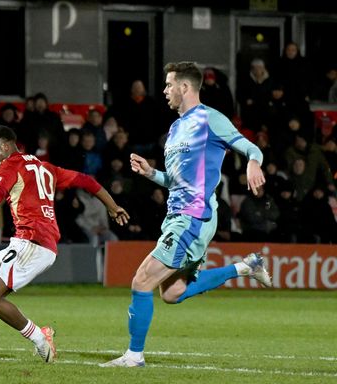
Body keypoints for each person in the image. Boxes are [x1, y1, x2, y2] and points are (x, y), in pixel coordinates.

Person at [101, 62, 272, 368]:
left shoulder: (210, 118)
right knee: (172, 292)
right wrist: (151, 173)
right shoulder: (176, 128)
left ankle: (134, 356)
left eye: (169, 85)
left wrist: (253, 163)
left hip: (193, 216)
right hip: (179, 214)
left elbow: (251, 149)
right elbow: (177, 181)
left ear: (184, 87)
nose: (165, 90)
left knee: (142, 280)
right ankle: (245, 267)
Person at [0, 125, 129, 362]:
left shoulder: (10, 164)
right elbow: (86, 180)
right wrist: (113, 207)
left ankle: (40, 338)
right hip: (29, 242)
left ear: (5, 146)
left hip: (33, 242)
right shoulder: (45, 167)